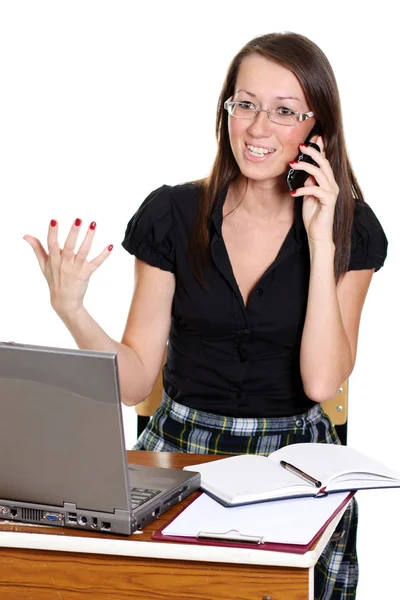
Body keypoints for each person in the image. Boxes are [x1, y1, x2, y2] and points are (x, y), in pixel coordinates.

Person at [25, 32, 387, 599]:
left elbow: (322, 381)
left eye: (284, 112)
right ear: (227, 110)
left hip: (291, 459)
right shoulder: (172, 213)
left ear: (317, 128)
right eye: (245, 104)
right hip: (180, 449)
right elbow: (136, 380)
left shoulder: (353, 231)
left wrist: (321, 238)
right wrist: (71, 309)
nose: (258, 128)